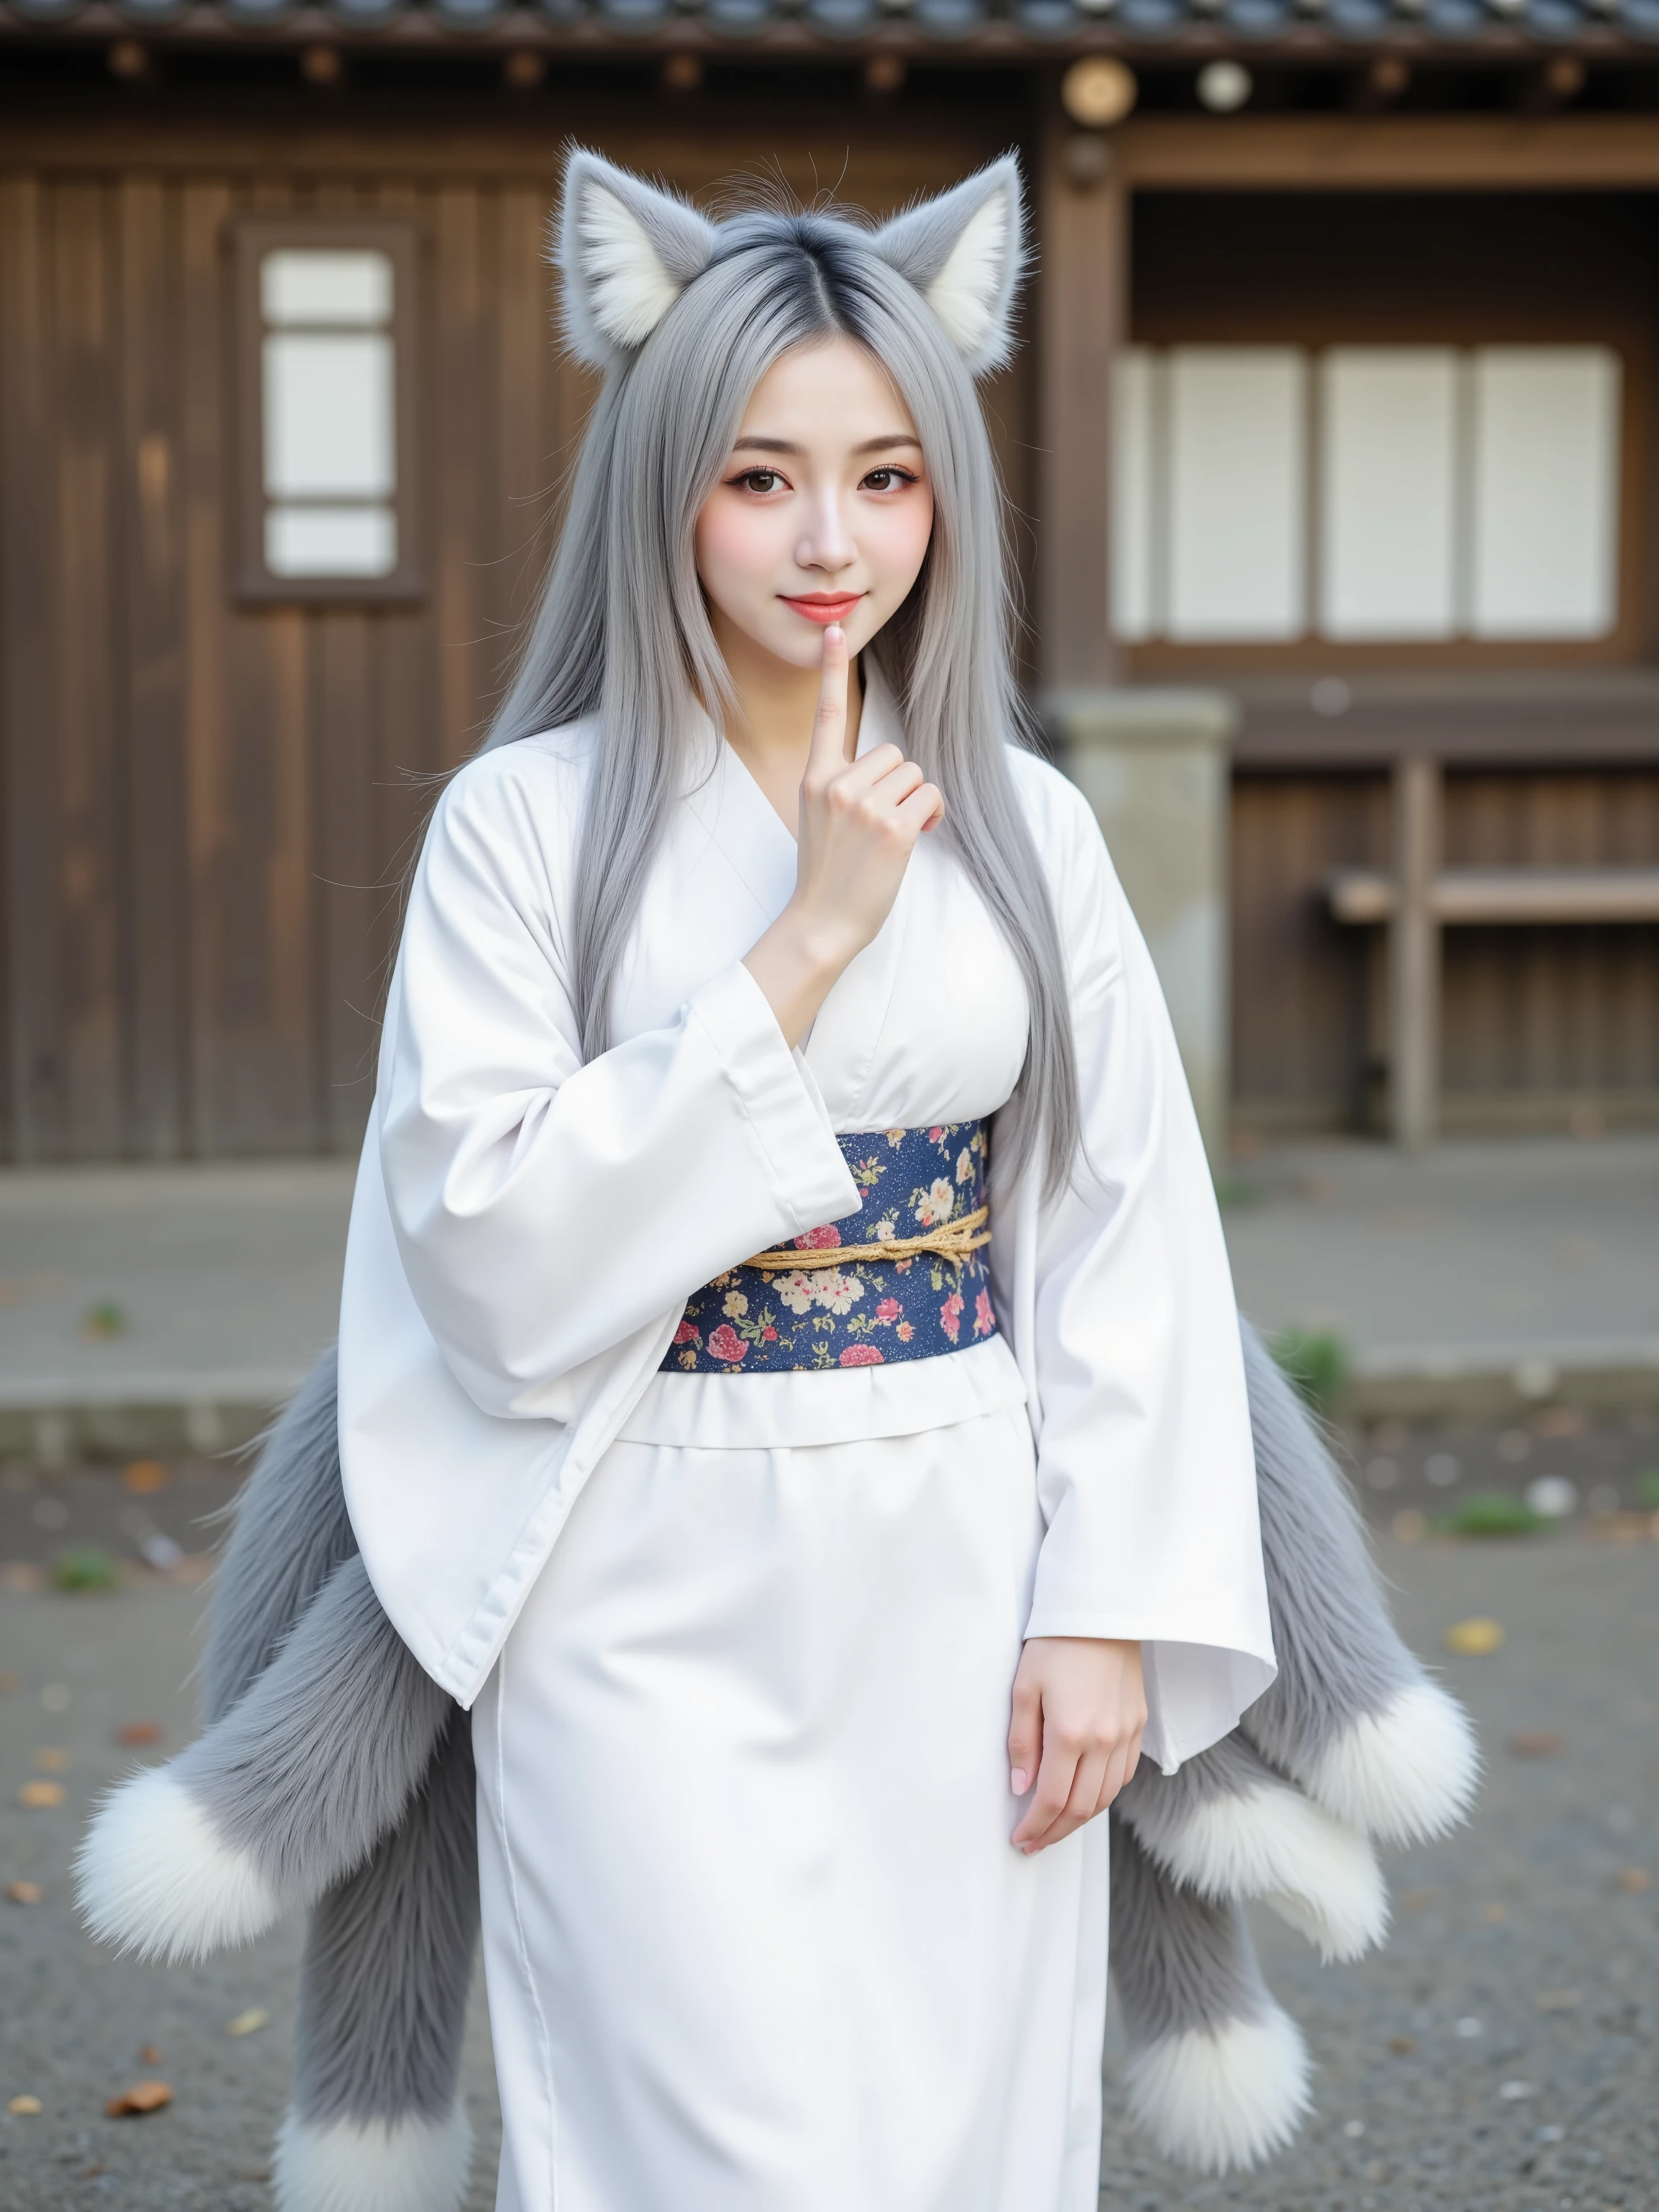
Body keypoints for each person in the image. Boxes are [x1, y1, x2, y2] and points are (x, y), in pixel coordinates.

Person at [335, 148, 1275, 2212]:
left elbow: (1126, 1231)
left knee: (953, 2119)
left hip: (960, 1541)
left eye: (888, 478)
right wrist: (801, 950)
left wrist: (1107, 1606)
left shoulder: (1026, 823)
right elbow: (481, 1244)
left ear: (949, 497)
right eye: (761, 477)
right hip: (641, 1552)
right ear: (661, 486)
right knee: (694, 2125)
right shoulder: (522, 828)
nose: (830, 540)